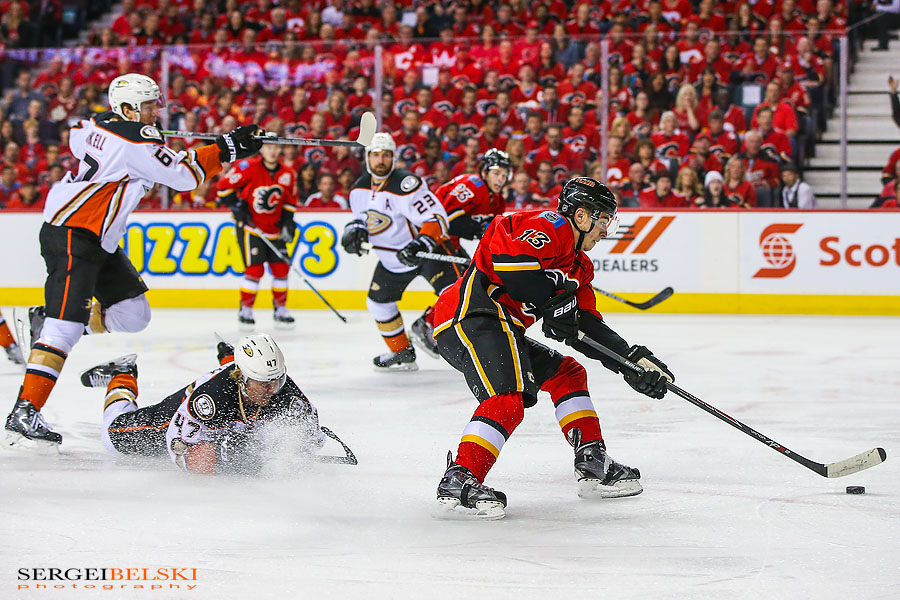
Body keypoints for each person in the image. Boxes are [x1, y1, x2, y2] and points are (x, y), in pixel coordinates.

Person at [3, 73, 262, 451]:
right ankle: (25, 410)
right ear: (127, 108)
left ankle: (47, 319)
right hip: (75, 232)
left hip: (96, 239)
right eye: (149, 106)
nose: (157, 112)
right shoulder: (136, 139)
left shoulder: (93, 124)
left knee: (134, 314)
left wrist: (136, 134)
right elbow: (184, 176)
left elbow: (81, 133)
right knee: (62, 331)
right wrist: (227, 148)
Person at [432, 177, 674, 519]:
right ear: (580, 216)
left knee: (568, 374)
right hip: (471, 314)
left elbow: (585, 327)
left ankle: (592, 461)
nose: (605, 230)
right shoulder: (552, 226)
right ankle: (460, 478)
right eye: (602, 219)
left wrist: (631, 362)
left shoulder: (580, 268)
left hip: (503, 326)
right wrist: (552, 301)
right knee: (508, 399)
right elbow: (512, 268)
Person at [82, 333, 325, 475]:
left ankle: (229, 355)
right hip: (177, 414)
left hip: (227, 412)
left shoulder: (285, 394)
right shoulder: (209, 399)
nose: (271, 390)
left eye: (277, 381)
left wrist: (290, 448)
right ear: (241, 377)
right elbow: (183, 452)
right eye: (262, 383)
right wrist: (224, 457)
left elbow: (311, 438)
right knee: (111, 437)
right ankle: (122, 375)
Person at [341, 132, 455, 371]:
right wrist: (354, 230)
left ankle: (432, 327)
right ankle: (401, 352)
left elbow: (437, 217)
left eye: (385, 155)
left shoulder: (407, 185)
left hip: (423, 253)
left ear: (393, 157)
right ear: (367, 157)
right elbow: (364, 219)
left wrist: (421, 243)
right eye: (375, 155)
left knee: (456, 294)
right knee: (378, 304)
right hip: (391, 258)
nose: (380, 160)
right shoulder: (358, 189)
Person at [409, 149, 513, 357]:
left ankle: (432, 322)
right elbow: (444, 219)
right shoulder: (472, 185)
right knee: (461, 287)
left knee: (472, 282)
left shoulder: (497, 199)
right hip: (432, 237)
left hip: (449, 240)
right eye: (496, 173)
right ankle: (427, 325)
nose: (501, 179)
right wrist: (476, 228)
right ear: (484, 171)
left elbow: (489, 233)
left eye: (505, 174)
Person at [217, 143, 298, 330]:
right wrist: (238, 207)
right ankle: (245, 310)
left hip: (274, 229)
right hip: (251, 228)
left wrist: (288, 222)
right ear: (261, 149)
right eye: (268, 147)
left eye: (275, 147)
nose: (271, 151)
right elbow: (223, 187)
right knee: (255, 270)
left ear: (280, 150)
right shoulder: (248, 167)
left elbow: (289, 202)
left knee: (281, 269)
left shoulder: (288, 173)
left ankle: (280, 309)